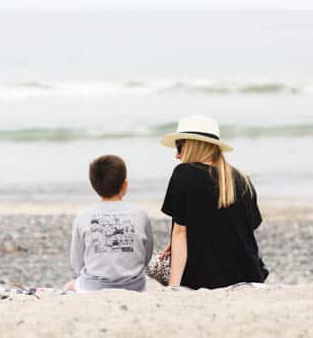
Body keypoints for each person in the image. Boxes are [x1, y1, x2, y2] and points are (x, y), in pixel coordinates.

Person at [159, 115, 268, 289]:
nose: (177, 154)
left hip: (205, 279)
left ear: (194, 145)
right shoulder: (242, 179)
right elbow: (241, 228)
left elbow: (180, 233)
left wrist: (173, 288)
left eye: (179, 146)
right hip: (250, 274)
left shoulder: (184, 174)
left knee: (159, 263)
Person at [65, 155, 154, 292]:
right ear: (125, 184)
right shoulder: (140, 214)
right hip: (135, 286)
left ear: (94, 186)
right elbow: (146, 256)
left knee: (69, 286)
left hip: (93, 286)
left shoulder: (83, 216)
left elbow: (77, 263)